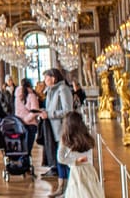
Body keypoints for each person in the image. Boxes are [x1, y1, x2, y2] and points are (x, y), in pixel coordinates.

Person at [38, 68, 75, 196]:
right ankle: (61, 187)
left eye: (46, 78)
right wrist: (44, 112)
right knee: (59, 160)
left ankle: (70, 188)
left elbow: (68, 110)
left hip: (62, 130)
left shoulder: (63, 89)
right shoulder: (50, 91)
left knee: (64, 159)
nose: (44, 80)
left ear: (53, 78)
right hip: (53, 130)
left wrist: (49, 114)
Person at [56, 112, 105, 197]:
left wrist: (75, 162)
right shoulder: (87, 137)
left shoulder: (65, 139)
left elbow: (60, 158)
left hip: (76, 171)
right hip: (89, 169)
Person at [14, 78, 39, 156]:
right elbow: (35, 111)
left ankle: (22, 162)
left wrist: (21, 121)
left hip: (19, 125)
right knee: (27, 150)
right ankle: (26, 162)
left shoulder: (17, 96)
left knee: (22, 149)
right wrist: (26, 120)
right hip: (30, 125)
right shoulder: (31, 95)